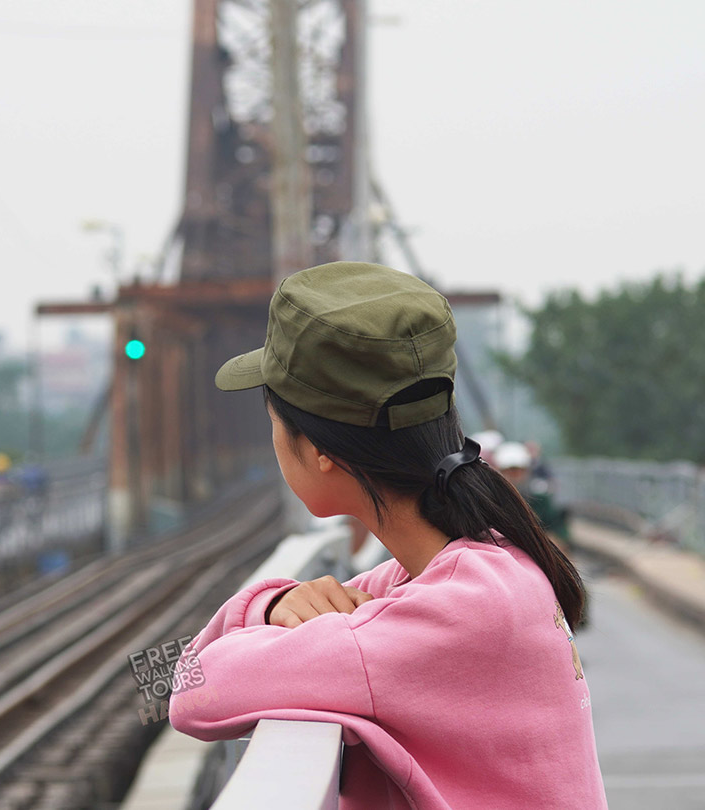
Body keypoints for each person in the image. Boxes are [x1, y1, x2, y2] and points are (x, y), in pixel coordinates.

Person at [169, 262, 605, 809]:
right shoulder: (478, 566)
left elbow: (185, 688)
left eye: (274, 422)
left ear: (320, 452)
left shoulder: (442, 613)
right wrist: (274, 605)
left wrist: (259, 607)